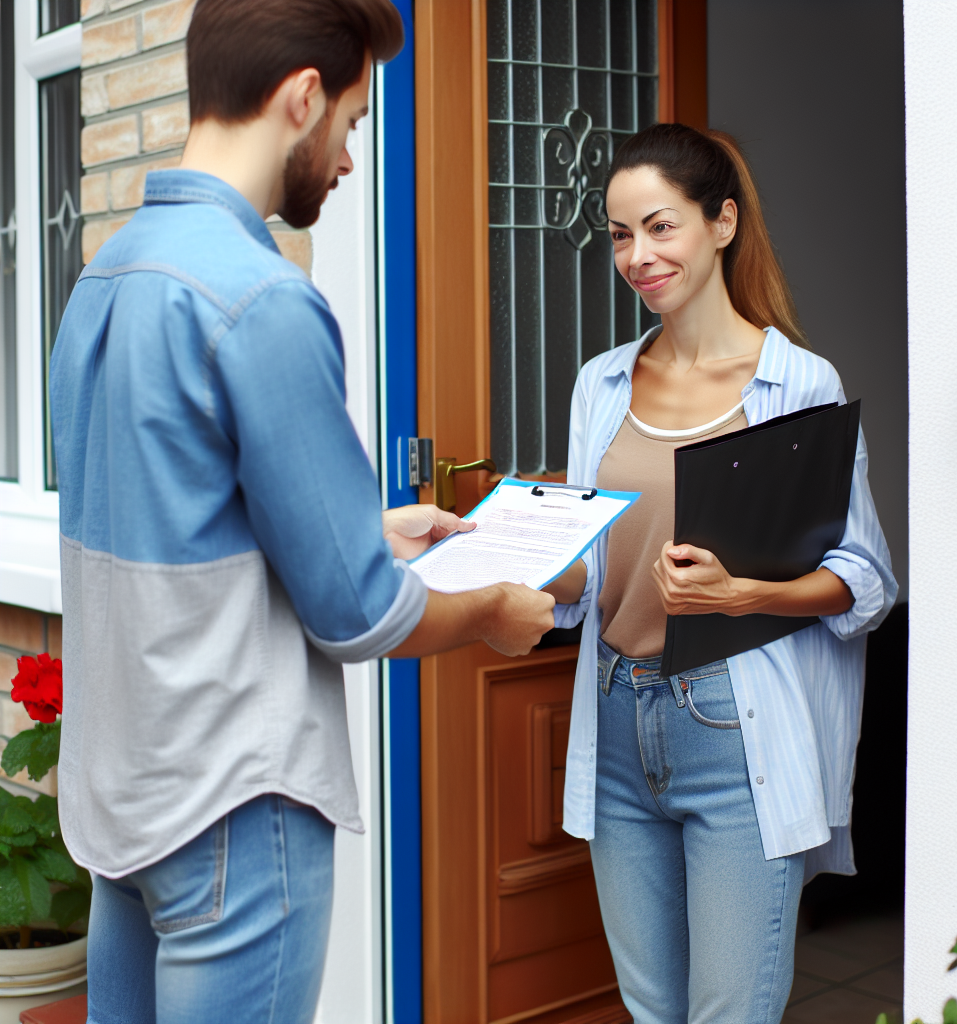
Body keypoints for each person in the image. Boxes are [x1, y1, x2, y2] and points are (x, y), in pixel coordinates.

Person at [49, 1, 554, 1021]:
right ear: (303, 96)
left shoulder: (103, 276)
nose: (350, 159)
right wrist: (492, 612)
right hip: (237, 806)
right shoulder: (261, 296)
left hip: (126, 798)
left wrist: (366, 526)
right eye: (355, 124)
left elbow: (173, 516)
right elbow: (361, 615)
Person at [543, 123, 896, 1024]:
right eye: (620, 234)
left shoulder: (797, 384)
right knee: (652, 1010)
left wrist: (745, 596)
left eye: (659, 227)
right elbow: (588, 572)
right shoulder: (601, 385)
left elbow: (863, 577)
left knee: (729, 1013)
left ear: (722, 222)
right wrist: (512, 560)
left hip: (733, 730)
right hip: (618, 719)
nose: (637, 255)